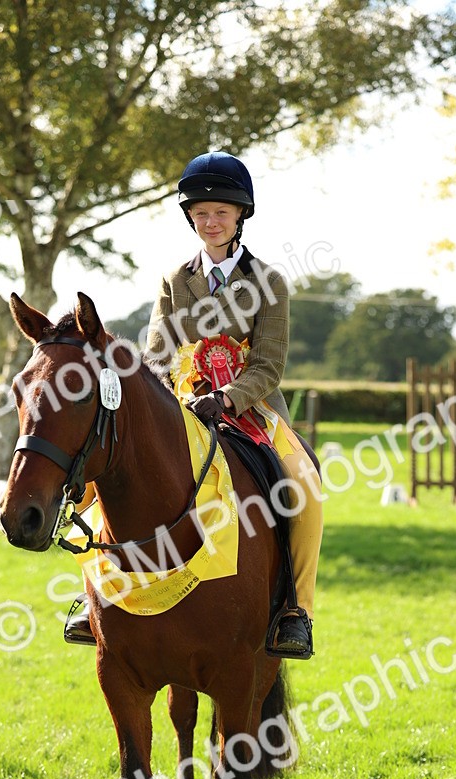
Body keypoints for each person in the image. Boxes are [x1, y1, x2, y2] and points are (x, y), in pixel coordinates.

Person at [64, 151, 322, 657]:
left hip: (253, 409)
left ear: (241, 215)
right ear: (190, 217)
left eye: (221, 212)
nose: (210, 221)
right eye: (201, 213)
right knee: (104, 476)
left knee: (305, 489)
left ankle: (296, 609)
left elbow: (270, 365)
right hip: (184, 407)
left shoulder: (269, 282)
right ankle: (94, 591)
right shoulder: (174, 280)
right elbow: (159, 352)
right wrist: (161, 394)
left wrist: (226, 396)